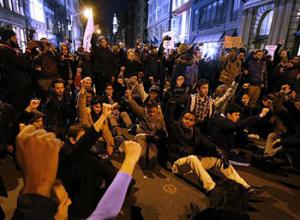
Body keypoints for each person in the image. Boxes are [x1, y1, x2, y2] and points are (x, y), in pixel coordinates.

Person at [13, 124, 142, 220]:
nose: (68, 201)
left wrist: (33, 186)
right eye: (64, 203)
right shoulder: (68, 155)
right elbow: (106, 212)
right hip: (82, 205)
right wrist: (130, 158)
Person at [166, 100, 251, 193]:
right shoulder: (175, 128)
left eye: (191, 120)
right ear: (181, 119)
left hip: (193, 165)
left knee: (219, 161)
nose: (187, 121)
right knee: (192, 158)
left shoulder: (196, 131)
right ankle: (211, 187)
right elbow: (169, 120)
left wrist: (219, 151)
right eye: (186, 118)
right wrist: (171, 106)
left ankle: (245, 186)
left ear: (194, 122)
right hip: (177, 165)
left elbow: (206, 142)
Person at [0, 28, 32, 112]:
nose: (17, 39)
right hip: (15, 87)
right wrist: (28, 50)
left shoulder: (11, 49)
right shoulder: (4, 49)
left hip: (20, 86)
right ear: (8, 38)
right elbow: (23, 63)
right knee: (20, 110)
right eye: (14, 37)